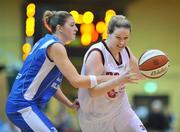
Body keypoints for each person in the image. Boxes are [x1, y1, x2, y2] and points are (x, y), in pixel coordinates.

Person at [5, 11, 137, 132]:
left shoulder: (45, 41)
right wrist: (110, 78)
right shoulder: (56, 47)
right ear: (59, 28)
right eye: (72, 25)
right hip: (23, 105)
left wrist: (68, 104)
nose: (76, 29)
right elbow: (76, 81)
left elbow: (51, 85)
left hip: (23, 104)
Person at [78, 15, 147, 132]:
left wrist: (155, 68)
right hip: (95, 116)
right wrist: (119, 80)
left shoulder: (126, 51)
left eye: (126, 38)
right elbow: (93, 92)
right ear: (108, 33)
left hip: (120, 109)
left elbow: (140, 74)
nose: (122, 42)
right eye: (118, 37)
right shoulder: (97, 53)